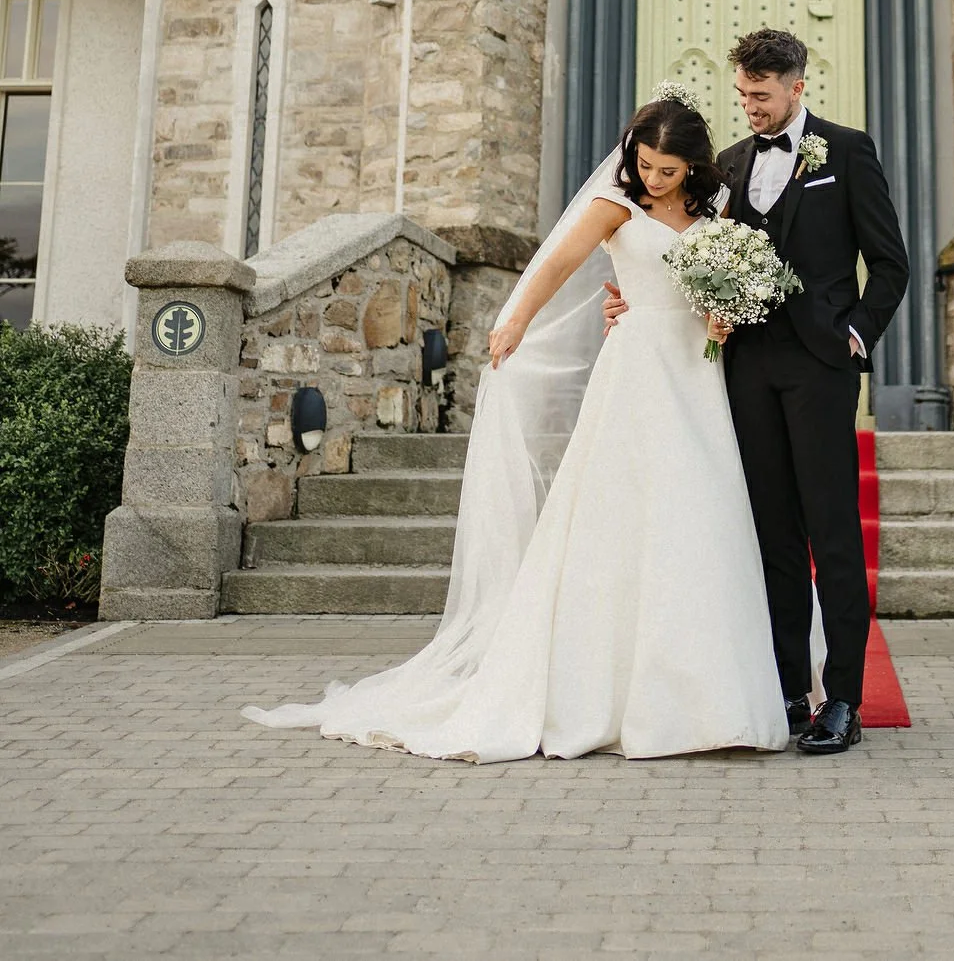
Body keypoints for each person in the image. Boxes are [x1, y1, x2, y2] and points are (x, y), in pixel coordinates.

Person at [244, 92, 787, 761]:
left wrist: (719, 319)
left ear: (694, 168)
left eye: (667, 171)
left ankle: (710, 704)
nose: (653, 179)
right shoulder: (614, 208)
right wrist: (515, 321)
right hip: (637, 373)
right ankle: (611, 696)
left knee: (701, 517)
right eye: (644, 164)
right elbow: (557, 264)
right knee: (626, 514)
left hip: (697, 378)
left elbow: (711, 295)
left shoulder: (718, 213)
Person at [606, 28, 909, 756]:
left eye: (763, 96)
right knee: (772, 534)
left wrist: (855, 334)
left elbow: (889, 262)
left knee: (833, 535)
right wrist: (637, 303)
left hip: (818, 368)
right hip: (741, 369)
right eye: (742, 95)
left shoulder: (848, 152)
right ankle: (785, 688)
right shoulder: (729, 166)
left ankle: (842, 699)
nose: (751, 108)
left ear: (798, 88)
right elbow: (689, 250)